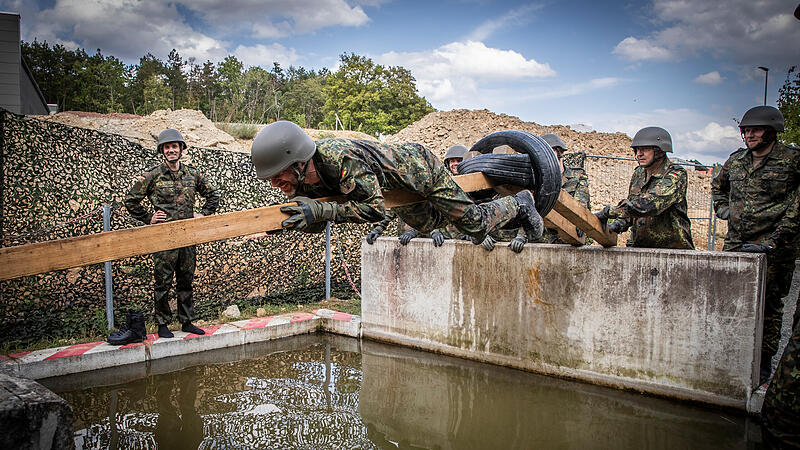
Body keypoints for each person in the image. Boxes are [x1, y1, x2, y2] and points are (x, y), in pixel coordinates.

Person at [250, 121, 544, 246]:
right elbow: (315, 222)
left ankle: (519, 203)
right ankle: (495, 209)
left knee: (474, 224)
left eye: (279, 176)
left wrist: (323, 212)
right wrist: (289, 222)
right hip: (395, 189)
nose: (276, 184)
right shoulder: (302, 182)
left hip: (420, 171)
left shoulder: (340, 160)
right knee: (430, 224)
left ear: (299, 162)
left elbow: (375, 209)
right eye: (272, 179)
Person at [711, 105, 800, 384]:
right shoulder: (736, 161)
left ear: (771, 131)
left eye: (756, 130)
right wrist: (725, 210)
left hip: (775, 244)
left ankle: (762, 364)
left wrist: (777, 239)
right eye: (746, 130)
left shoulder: (791, 160)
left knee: (769, 306)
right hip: (738, 241)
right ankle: (728, 357)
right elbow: (718, 187)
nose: (749, 135)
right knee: (726, 300)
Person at [124, 128, 220, 338]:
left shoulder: (192, 174)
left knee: (186, 280)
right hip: (164, 238)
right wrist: (148, 217)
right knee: (163, 283)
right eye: (167, 147)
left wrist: (203, 214)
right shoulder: (153, 175)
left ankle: (187, 322)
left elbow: (213, 195)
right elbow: (130, 200)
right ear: (162, 150)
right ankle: (162, 325)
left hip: (187, 236)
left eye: (174, 146)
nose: (171, 150)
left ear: (181, 149)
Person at [594, 126, 694, 249]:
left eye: (645, 149)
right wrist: (620, 223)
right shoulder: (639, 174)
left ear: (660, 151)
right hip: (641, 247)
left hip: (672, 250)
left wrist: (611, 211)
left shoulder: (675, 175)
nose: (639, 154)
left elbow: (650, 204)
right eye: (637, 150)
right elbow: (633, 205)